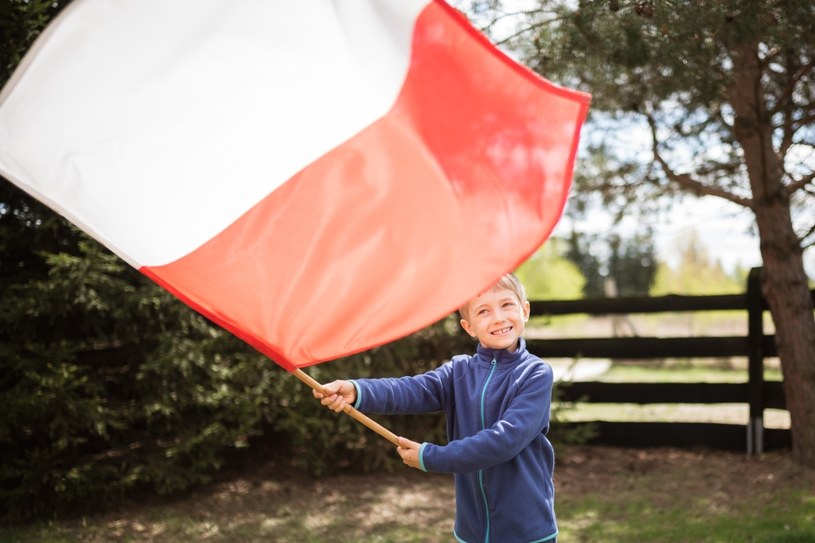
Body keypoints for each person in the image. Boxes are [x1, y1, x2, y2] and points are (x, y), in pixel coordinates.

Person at [314, 272, 557, 543]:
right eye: (484, 311)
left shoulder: (535, 374)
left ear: (524, 310)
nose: (498, 317)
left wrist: (432, 457)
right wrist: (358, 391)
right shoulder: (458, 371)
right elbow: (410, 390)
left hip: (527, 531)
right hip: (472, 531)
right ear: (469, 327)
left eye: (507, 305)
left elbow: (504, 441)